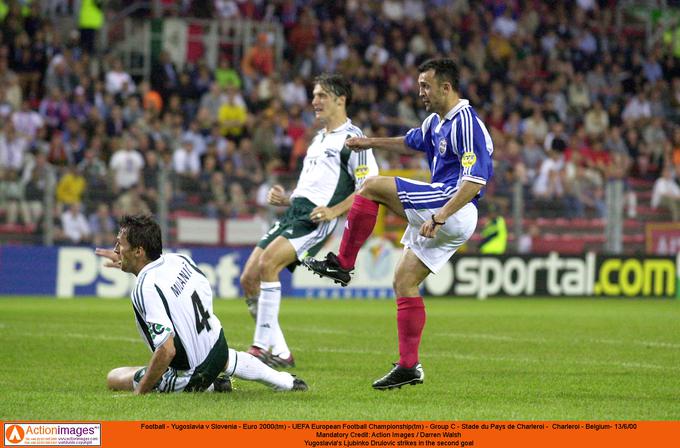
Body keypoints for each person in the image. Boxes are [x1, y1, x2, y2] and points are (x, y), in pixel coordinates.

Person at [303, 59, 494, 390]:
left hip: (453, 205)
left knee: (371, 185)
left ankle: (343, 263)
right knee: (404, 281)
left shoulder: (466, 122)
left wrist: (440, 215)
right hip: (446, 208)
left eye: (426, 86)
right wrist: (370, 142)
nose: (420, 92)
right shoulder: (437, 121)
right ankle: (408, 366)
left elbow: (475, 181)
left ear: (445, 88)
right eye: (420, 85)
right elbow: (410, 142)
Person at [239, 74, 379, 368]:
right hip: (295, 211)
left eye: (321, 96)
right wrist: (287, 198)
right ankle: (281, 351)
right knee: (248, 278)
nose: (314, 101)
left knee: (268, 265)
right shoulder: (318, 139)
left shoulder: (354, 139)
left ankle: (261, 347)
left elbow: (369, 187)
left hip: (317, 216)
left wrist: (334, 211)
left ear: (340, 100)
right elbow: (310, 186)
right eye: (314, 95)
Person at [95, 215, 307, 394]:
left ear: (139, 251)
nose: (115, 249)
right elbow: (204, 289)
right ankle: (286, 382)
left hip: (191, 373)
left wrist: (140, 392)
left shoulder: (145, 288)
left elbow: (166, 350)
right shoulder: (178, 259)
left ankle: (210, 385)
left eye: (120, 245)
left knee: (115, 377)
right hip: (218, 345)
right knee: (224, 356)